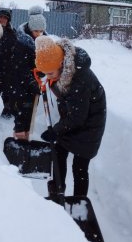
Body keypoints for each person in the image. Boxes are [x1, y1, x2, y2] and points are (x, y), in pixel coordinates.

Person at [34, 35, 106, 197]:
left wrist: (56, 130)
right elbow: (64, 93)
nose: (48, 76)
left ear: (61, 64)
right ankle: (57, 191)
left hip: (90, 124)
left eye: (50, 73)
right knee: (58, 151)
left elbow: (78, 117)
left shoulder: (80, 79)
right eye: (45, 73)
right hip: (72, 118)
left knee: (80, 166)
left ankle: (79, 201)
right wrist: (46, 75)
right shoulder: (63, 67)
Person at [9, 5, 47, 139]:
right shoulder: (21, 42)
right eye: (36, 31)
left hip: (35, 82)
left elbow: (44, 62)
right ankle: (19, 141)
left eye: (42, 31)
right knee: (21, 112)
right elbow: (20, 67)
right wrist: (31, 81)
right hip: (20, 83)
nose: (39, 34)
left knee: (31, 112)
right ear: (30, 29)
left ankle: (26, 138)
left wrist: (42, 72)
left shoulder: (44, 42)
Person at [0, 9, 17, 118]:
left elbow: (15, 46)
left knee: (7, 89)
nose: (2, 19)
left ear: (8, 20)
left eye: (5, 18)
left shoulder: (12, 32)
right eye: (0, 17)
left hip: (8, 65)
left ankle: (7, 108)